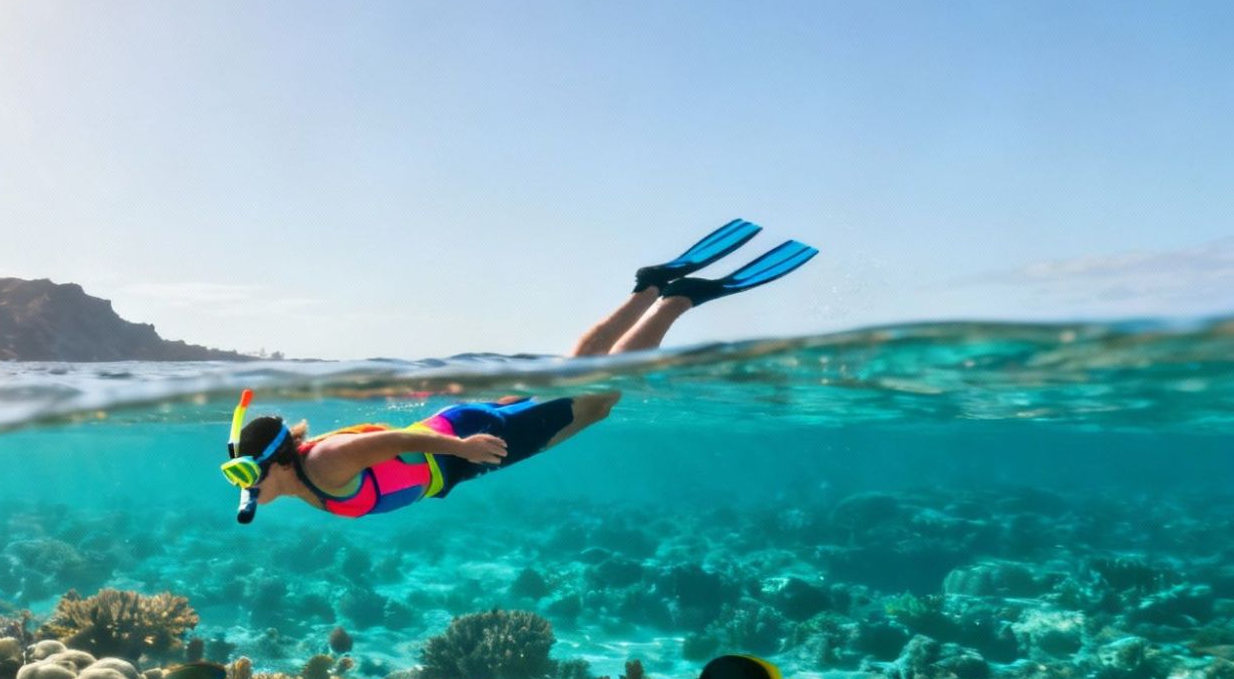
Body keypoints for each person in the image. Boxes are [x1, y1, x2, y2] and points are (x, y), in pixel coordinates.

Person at [219, 220, 816, 523]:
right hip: (459, 435)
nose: (246, 487)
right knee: (576, 372)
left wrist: (469, 446)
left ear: (278, 460)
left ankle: (681, 299)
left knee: (598, 399)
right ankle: (650, 286)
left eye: (247, 473)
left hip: (463, 445)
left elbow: (399, 439)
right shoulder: (302, 479)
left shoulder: (322, 465)